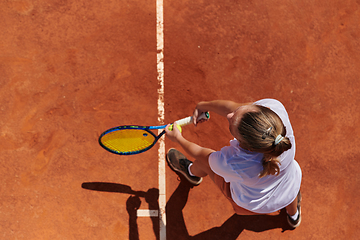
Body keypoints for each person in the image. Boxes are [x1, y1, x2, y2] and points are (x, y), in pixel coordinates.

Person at [164, 99, 302, 228]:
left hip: (252, 206)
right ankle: (293, 216)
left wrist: (178, 138)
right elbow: (234, 109)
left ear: (247, 147)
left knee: (204, 163)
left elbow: (200, 153)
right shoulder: (276, 111)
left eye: (231, 125)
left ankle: (191, 173)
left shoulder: (234, 162)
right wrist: (203, 106)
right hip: (289, 186)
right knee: (291, 192)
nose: (229, 115)